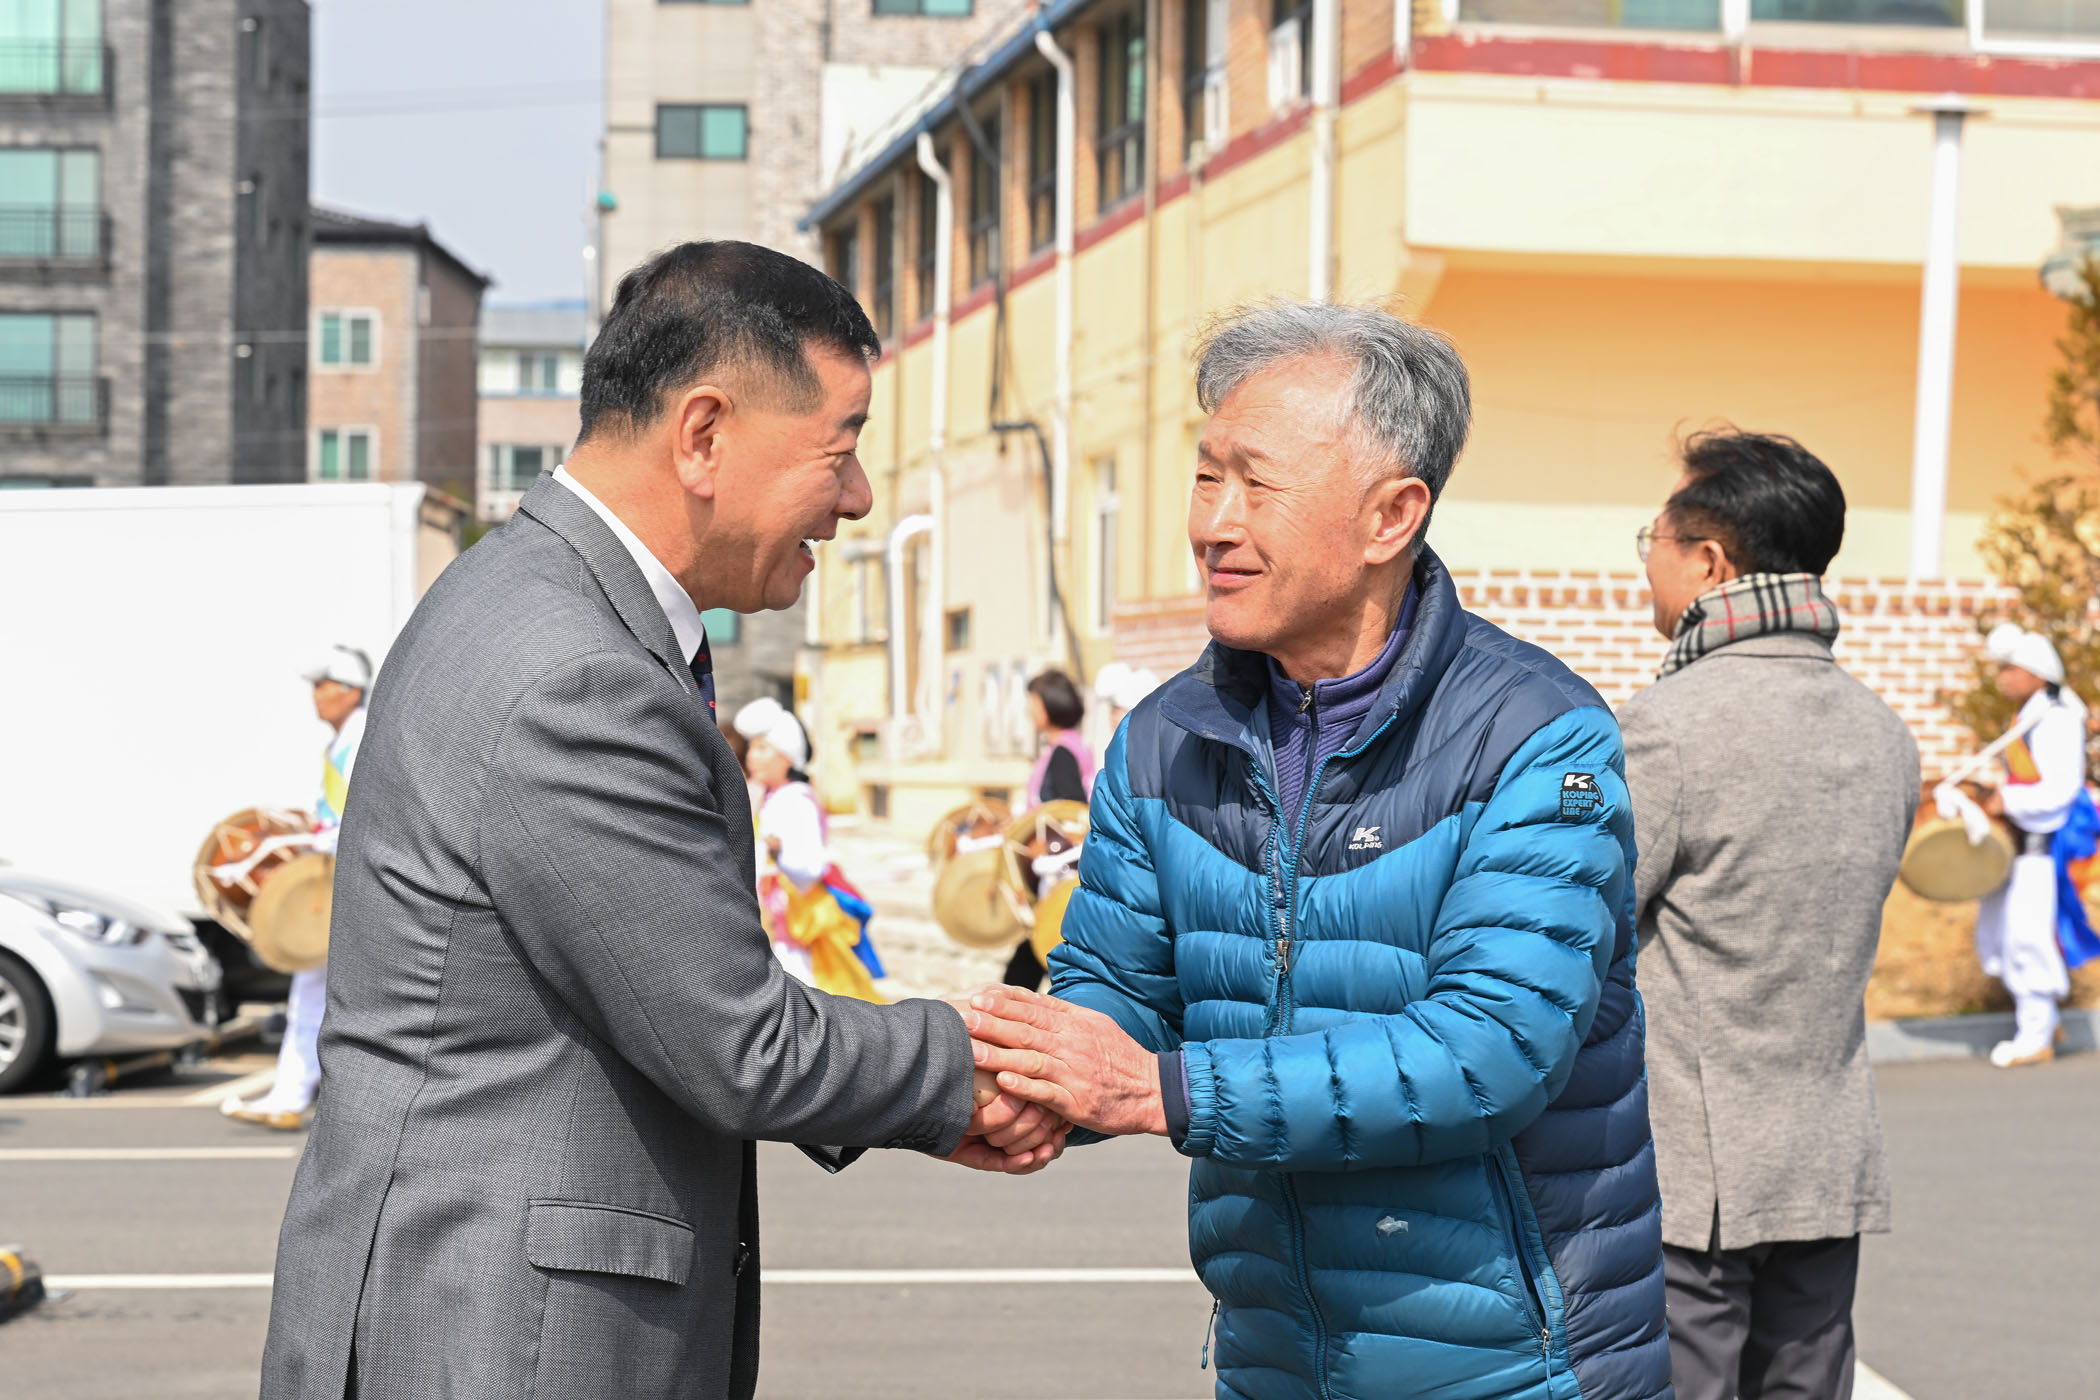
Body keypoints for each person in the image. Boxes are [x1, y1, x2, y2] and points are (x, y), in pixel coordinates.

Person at [260, 242, 1061, 1400]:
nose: (857, 497)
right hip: (502, 1340)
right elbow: (742, 1044)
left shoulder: (533, 599)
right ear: (704, 434)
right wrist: (1027, 1064)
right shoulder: (575, 674)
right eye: (839, 447)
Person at [960, 300, 1672, 1400]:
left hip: (1517, 1364)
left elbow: (1489, 1051)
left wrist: (1159, 1090)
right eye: (1206, 476)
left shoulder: (1534, 736)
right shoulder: (1162, 739)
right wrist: (998, 1074)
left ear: (1392, 515)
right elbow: (1114, 995)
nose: (1214, 523)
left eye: (1257, 484)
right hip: (1275, 1354)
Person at [1616, 430, 1916, 1400]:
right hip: (1826, 1155)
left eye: (1654, 541)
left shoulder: (1667, 726)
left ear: (1709, 561)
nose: (1647, 564)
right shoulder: (1885, 732)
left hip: (1692, 1175)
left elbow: (1583, 922)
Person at [223, 645, 373, 1132]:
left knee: (314, 994)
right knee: (316, 993)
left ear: (349, 690)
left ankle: (292, 1098)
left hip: (348, 882)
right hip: (344, 879)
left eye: (323, 685)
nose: (316, 695)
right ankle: (294, 1096)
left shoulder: (360, 736)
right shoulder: (344, 739)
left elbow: (364, 812)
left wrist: (312, 841)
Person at [1972, 622, 2097, 1068]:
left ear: (2036, 674)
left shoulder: (2056, 720)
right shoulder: (2029, 715)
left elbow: (2059, 791)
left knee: (2027, 939)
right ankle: (2043, 1022)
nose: (2002, 677)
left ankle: (2036, 1034)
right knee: (2001, 936)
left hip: (2040, 850)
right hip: (2020, 849)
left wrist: (2005, 800)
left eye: (2010, 669)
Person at [733, 695, 886, 1002]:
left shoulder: (796, 799)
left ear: (787, 755)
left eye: (762, 748)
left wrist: (779, 856)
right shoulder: (773, 796)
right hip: (780, 914)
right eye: (752, 748)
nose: (752, 757)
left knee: (805, 989)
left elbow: (811, 866)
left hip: (800, 918)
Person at [1002, 669, 1097, 990]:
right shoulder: (1067, 747)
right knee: (1033, 964)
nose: (1030, 711)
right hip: (1054, 878)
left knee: (1032, 965)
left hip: (1058, 878)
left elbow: (1071, 811)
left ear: (1050, 706)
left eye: (1034, 703)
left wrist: (1041, 844)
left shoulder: (1062, 753)